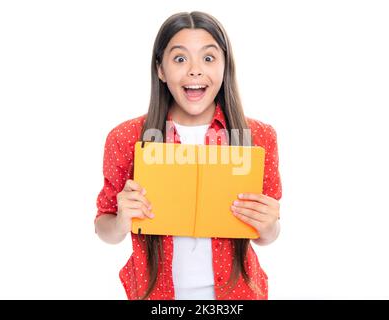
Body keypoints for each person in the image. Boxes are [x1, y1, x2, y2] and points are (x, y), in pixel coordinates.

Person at [94, 11, 282, 300]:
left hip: (236, 296)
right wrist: (121, 220)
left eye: (208, 58)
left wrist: (268, 226)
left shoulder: (259, 137)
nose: (195, 70)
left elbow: (268, 235)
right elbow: (104, 229)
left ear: (224, 66)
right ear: (160, 69)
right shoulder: (126, 138)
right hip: (156, 297)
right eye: (180, 59)